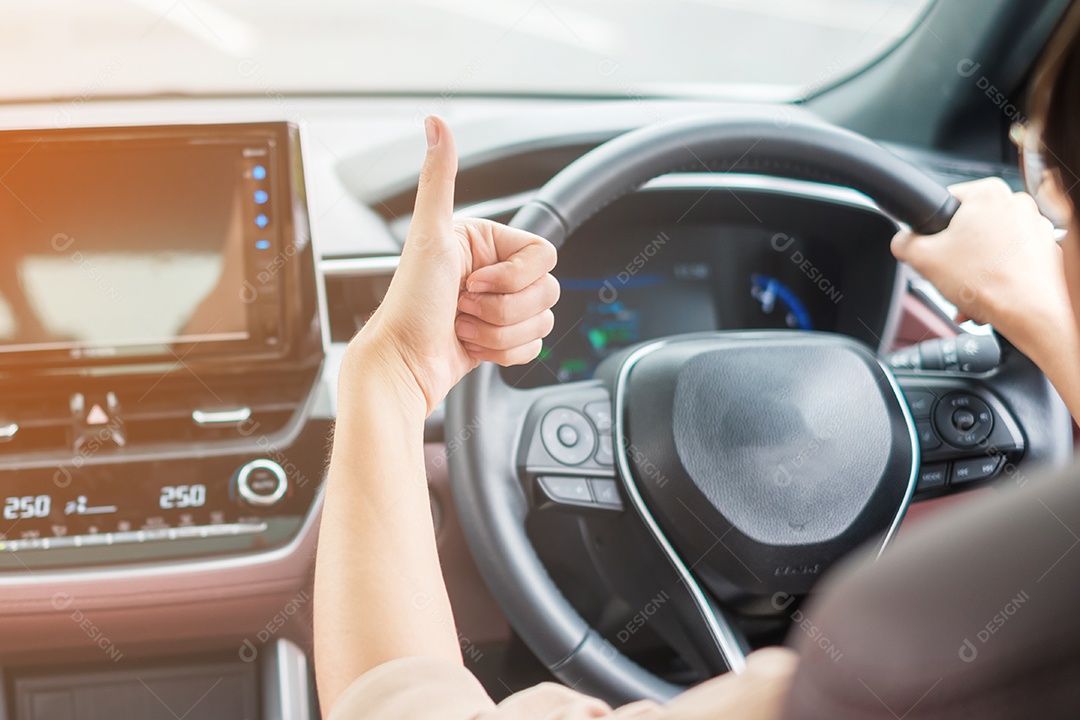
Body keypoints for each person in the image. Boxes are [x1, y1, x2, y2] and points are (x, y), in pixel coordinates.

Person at [313, 1, 1080, 715]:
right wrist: (1048, 323)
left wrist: (391, 379)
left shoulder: (860, 668)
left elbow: (393, 698)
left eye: (1051, 197)